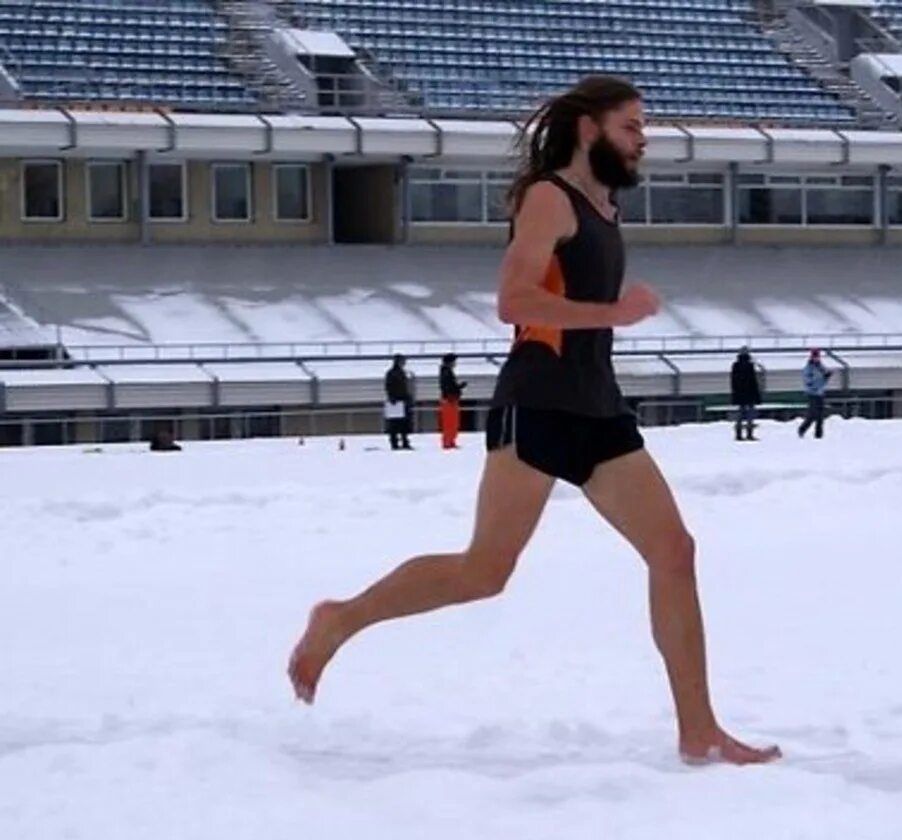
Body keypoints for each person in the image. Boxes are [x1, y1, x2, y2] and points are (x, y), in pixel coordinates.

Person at [287, 75, 780, 767]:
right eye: (632, 127)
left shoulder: (604, 206)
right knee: (484, 571)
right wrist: (613, 314)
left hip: (598, 407)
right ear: (589, 130)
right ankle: (340, 618)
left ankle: (698, 729)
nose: (644, 140)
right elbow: (514, 300)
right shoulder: (548, 197)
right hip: (539, 405)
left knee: (675, 553)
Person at [797, 349, 831, 440]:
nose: (817, 358)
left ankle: (819, 434)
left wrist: (826, 376)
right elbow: (808, 381)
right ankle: (802, 429)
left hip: (820, 393)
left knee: (820, 415)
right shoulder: (809, 368)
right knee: (812, 414)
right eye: (815, 357)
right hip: (812, 394)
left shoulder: (821, 366)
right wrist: (817, 382)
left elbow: (823, 379)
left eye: (818, 357)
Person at [729, 346, 761, 442]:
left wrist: (735, 392)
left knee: (740, 413)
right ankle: (749, 434)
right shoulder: (750, 365)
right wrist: (757, 395)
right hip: (750, 393)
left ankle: (738, 434)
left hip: (739, 393)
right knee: (750, 414)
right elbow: (753, 381)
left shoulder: (735, 365)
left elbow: (733, 381)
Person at [384, 354, 413, 450]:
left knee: (404, 422)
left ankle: (405, 441)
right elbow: (388, 386)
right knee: (395, 423)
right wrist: (392, 396)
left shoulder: (402, 372)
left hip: (403, 400)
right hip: (396, 400)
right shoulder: (392, 373)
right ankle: (394, 442)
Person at [438, 353, 467, 449]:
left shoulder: (446, 372)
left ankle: (450, 441)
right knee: (450, 422)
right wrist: (458, 388)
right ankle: (448, 442)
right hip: (449, 399)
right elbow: (448, 387)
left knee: (452, 422)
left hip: (449, 398)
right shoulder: (446, 373)